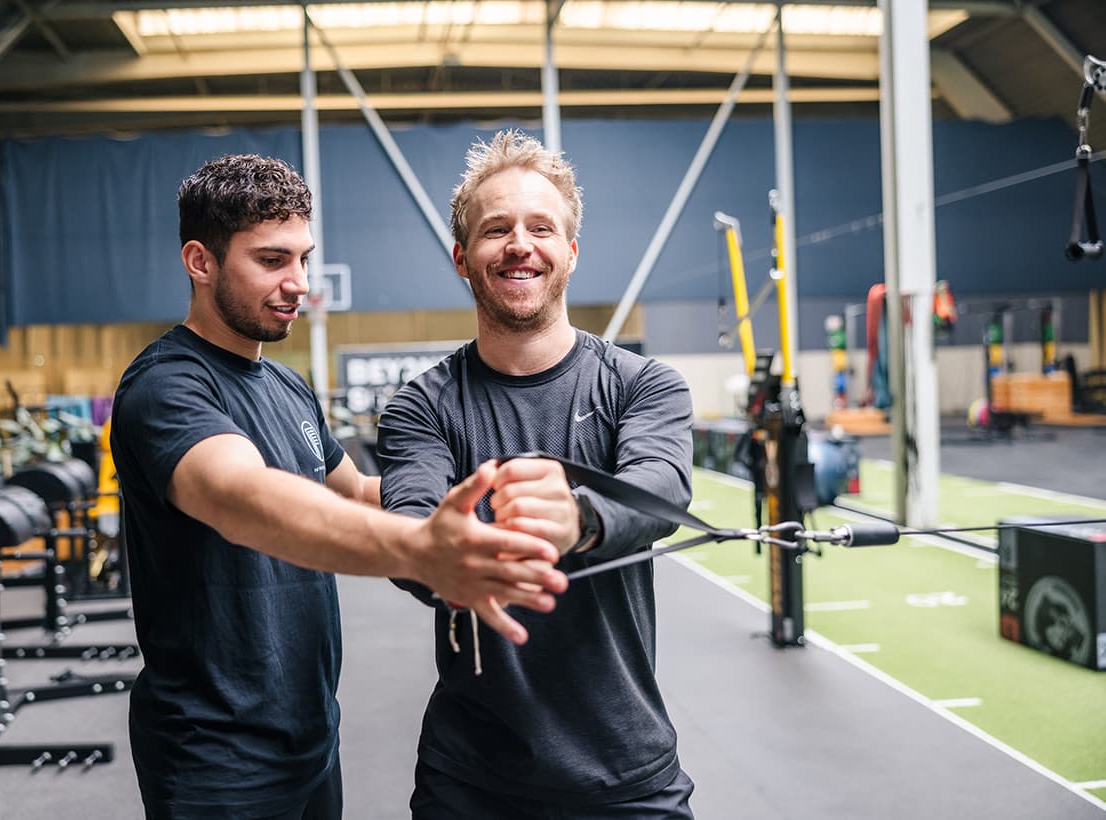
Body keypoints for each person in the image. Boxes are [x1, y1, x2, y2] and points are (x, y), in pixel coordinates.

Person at [109, 153, 568, 820]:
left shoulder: (285, 385)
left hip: (310, 733)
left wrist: (495, 508)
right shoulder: (167, 386)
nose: (298, 283)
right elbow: (241, 499)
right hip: (214, 754)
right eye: (272, 261)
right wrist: (420, 550)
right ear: (200, 262)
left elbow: (355, 492)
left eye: (303, 258)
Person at [377, 130, 696, 817]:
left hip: (625, 769)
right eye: (496, 230)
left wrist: (579, 516)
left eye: (540, 228)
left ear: (570, 251)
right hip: (470, 780)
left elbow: (660, 489)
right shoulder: (421, 407)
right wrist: (439, 549)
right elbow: (408, 528)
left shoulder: (642, 386)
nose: (519, 244)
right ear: (462, 258)